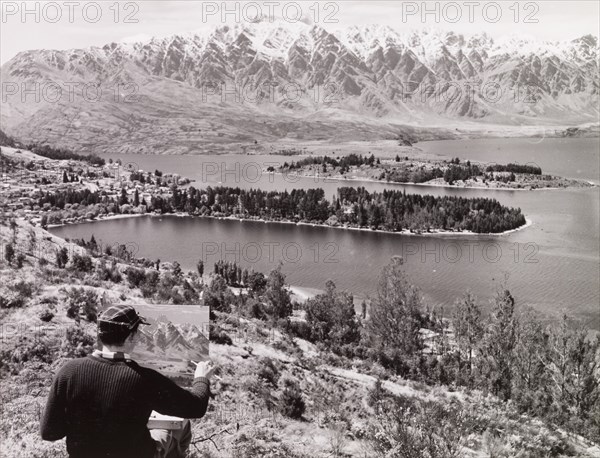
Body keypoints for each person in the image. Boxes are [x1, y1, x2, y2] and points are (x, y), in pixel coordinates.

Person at [40, 305, 215, 458]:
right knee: (181, 428)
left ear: (101, 335)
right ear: (132, 336)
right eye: (137, 332)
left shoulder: (68, 371)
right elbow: (196, 406)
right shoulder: (145, 379)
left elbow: (49, 432)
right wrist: (201, 377)